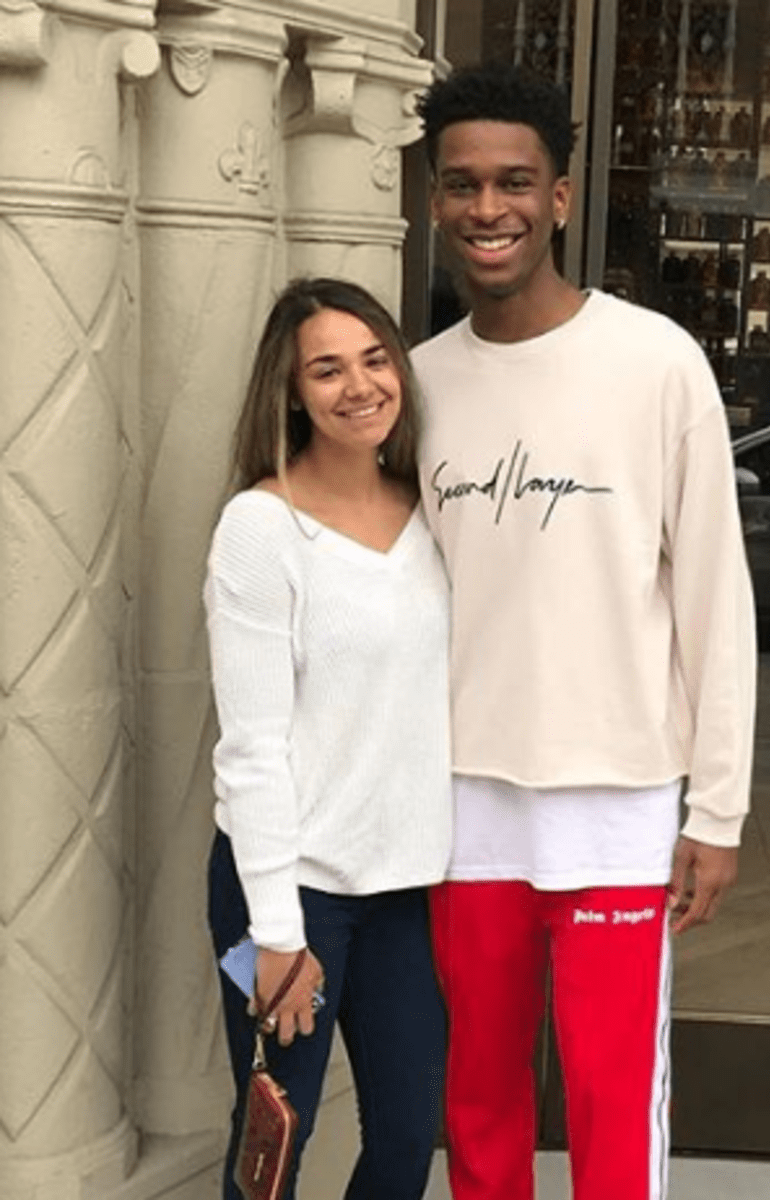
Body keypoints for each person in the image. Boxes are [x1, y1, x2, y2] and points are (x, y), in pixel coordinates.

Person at [412, 63, 757, 1200]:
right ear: (434, 200)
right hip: (463, 802)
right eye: (462, 183)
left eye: (515, 181)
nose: (489, 207)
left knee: (613, 1098)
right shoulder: (413, 386)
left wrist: (717, 808)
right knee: (480, 1097)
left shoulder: (655, 363)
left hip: (618, 799)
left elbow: (715, 597)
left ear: (559, 198)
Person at [203, 277, 452, 1199]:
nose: (360, 385)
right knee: (275, 1143)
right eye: (328, 369)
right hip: (291, 889)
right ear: (292, 391)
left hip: (405, 892)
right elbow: (252, 748)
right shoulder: (260, 529)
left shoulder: (431, 512)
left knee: (405, 1139)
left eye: (376, 359)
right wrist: (276, 931)